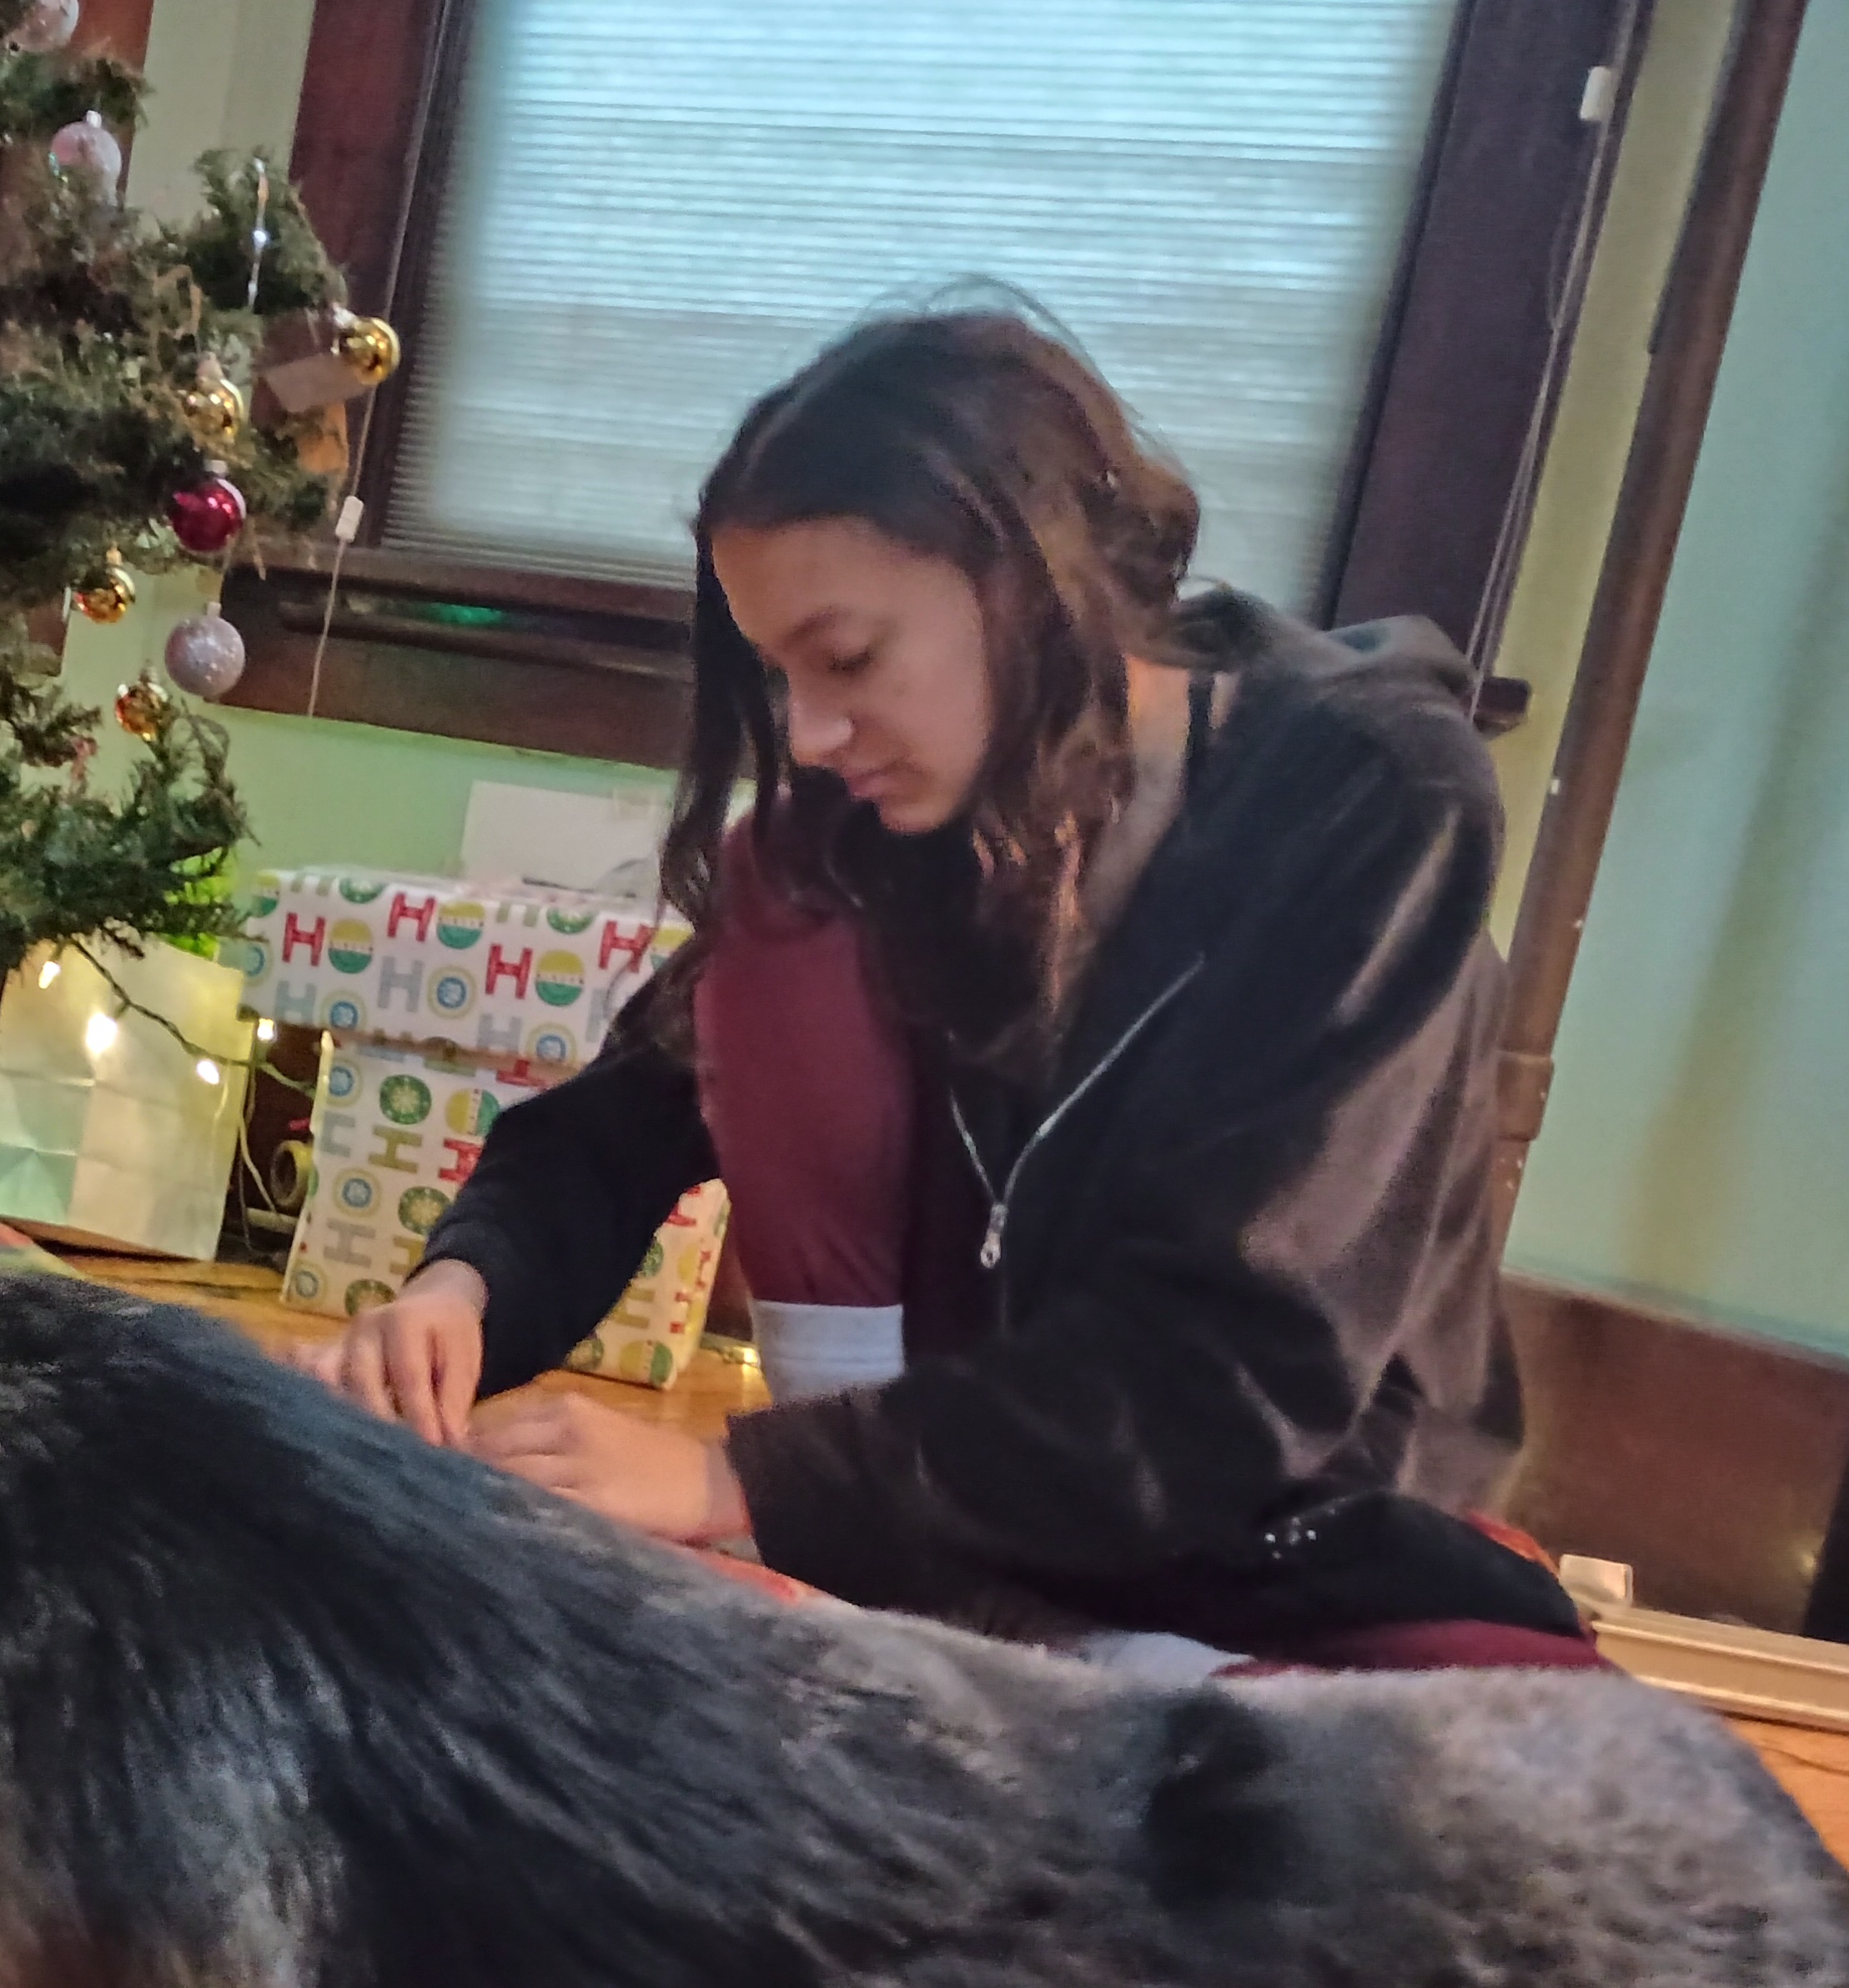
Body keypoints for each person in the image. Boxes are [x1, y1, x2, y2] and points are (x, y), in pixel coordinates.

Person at [299, 309, 1588, 1669]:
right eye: (781, 676)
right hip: (986, 1489)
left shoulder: (1368, 795)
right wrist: (459, 1296)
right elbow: (613, 1126)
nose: (808, 732)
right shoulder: (893, 818)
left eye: (849, 659)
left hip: (1294, 1534)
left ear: (1030, 579)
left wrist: (734, 1479)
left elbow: (1238, 1379)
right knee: (780, 889)